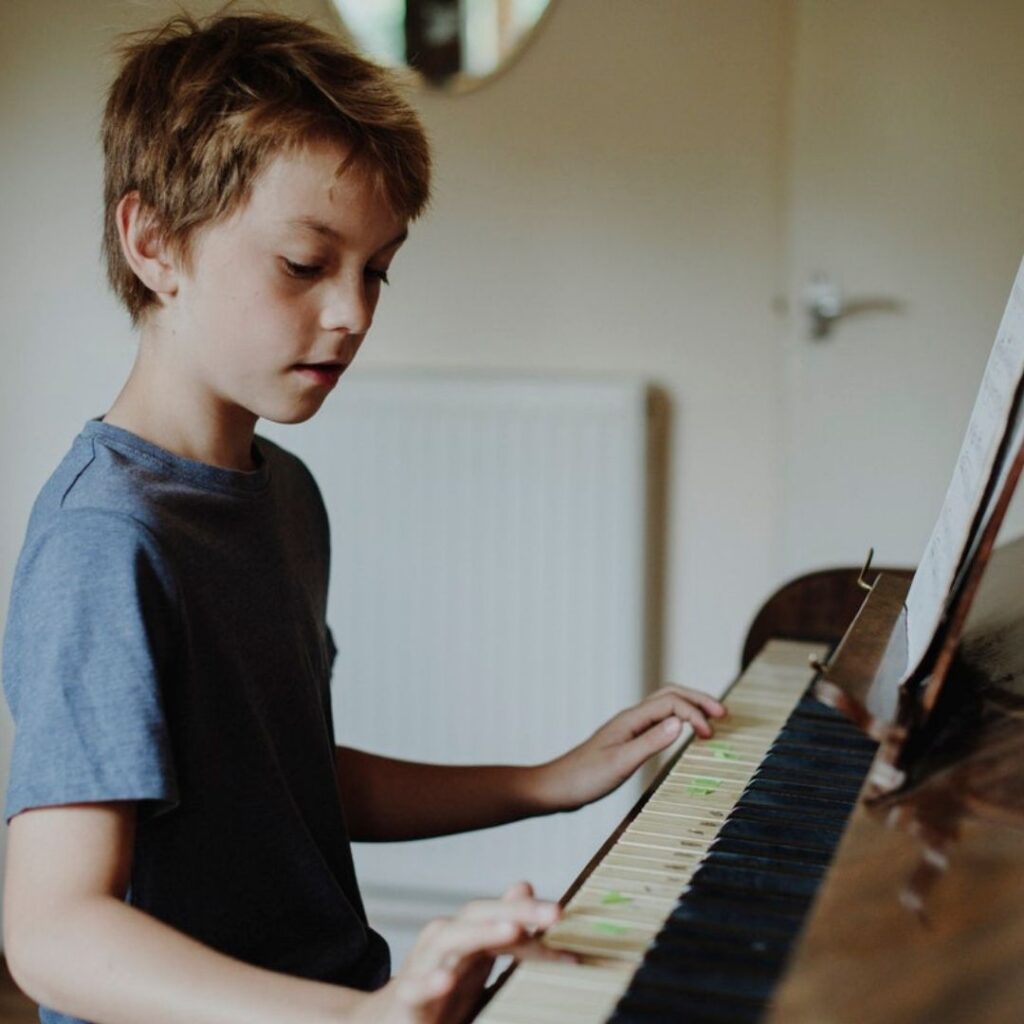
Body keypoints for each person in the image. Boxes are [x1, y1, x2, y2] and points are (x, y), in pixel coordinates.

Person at [1, 11, 726, 1024]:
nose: (354, 313)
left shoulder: (283, 494)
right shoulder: (105, 544)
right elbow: (51, 932)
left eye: (376, 268)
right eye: (305, 264)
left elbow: (290, 787)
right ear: (154, 240)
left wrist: (546, 780)